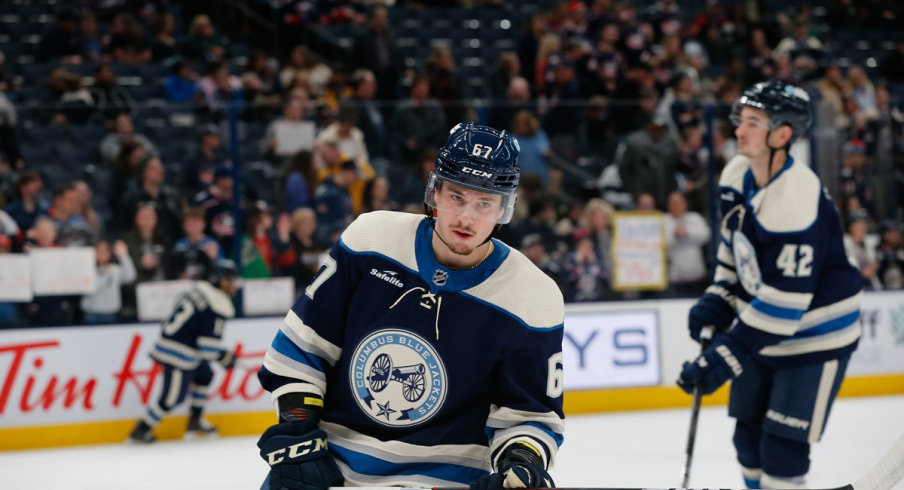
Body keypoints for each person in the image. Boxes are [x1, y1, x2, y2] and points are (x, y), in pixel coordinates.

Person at [255, 122, 564, 490]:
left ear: (504, 208)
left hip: (445, 479)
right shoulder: (370, 239)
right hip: (331, 467)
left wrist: (522, 465)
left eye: (484, 203)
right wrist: (297, 432)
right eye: (457, 197)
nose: (467, 218)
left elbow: (529, 415)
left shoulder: (533, 296)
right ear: (435, 191)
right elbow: (304, 347)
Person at [678, 80, 863, 489]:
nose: (740, 131)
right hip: (763, 329)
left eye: (754, 123)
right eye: (740, 120)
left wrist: (728, 353)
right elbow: (735, 252)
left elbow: (785, 302)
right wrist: (719, 297)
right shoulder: (736, 173)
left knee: (782, 449)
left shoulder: (796, 198)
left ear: (782, 135)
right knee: (747, 441)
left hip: (816, 334)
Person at [128, 259, 241, 443]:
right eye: (234, 280)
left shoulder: (197, 290)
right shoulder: (217, 305)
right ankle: (141, 429)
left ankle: (195, 420)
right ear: (223, 281)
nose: (236, 285)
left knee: (205, 374)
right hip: (179, 354)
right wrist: (225, 357)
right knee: (173, 398)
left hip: (176, 345)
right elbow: (209, 348)